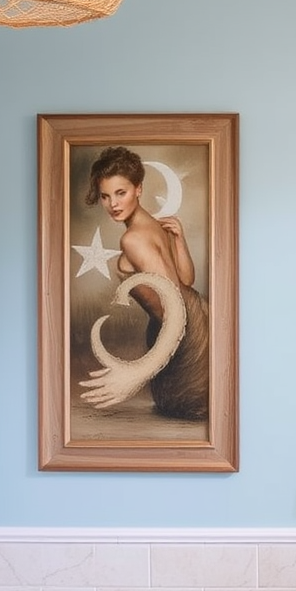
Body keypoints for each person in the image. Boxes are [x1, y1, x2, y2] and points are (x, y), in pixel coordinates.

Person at [81, 145, 209, 422]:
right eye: (105, 196)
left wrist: (139, 373)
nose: (112, 204)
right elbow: (187, 281)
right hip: (194, 317)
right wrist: (179, 239)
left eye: (121, 193)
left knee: (180, 406)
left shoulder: (132, 239)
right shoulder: (155, 224)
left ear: (138, 189)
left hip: (182, 334)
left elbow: (172, 304)